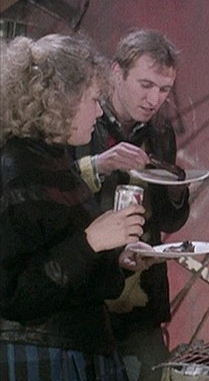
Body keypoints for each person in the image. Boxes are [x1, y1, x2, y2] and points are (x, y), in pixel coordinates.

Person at [1, 34, 151, 380]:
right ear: (61, 100)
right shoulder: (16, 171)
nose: (99, 112)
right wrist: (91, 242)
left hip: (76, 348)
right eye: (94, 100)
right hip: (42, 356)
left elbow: (61, 263)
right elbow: (14, 294)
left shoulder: (52, 160)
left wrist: (116, 260)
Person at [73, 29, 189, 381]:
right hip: (84, 292)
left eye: (164, 89)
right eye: (146, 85)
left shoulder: (160, 132)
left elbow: (170, 221)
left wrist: (176, 188)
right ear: (116, 73)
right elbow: (53, 194)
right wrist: (100, 164)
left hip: (140, 296)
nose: (154, 99)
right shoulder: (82, 120)